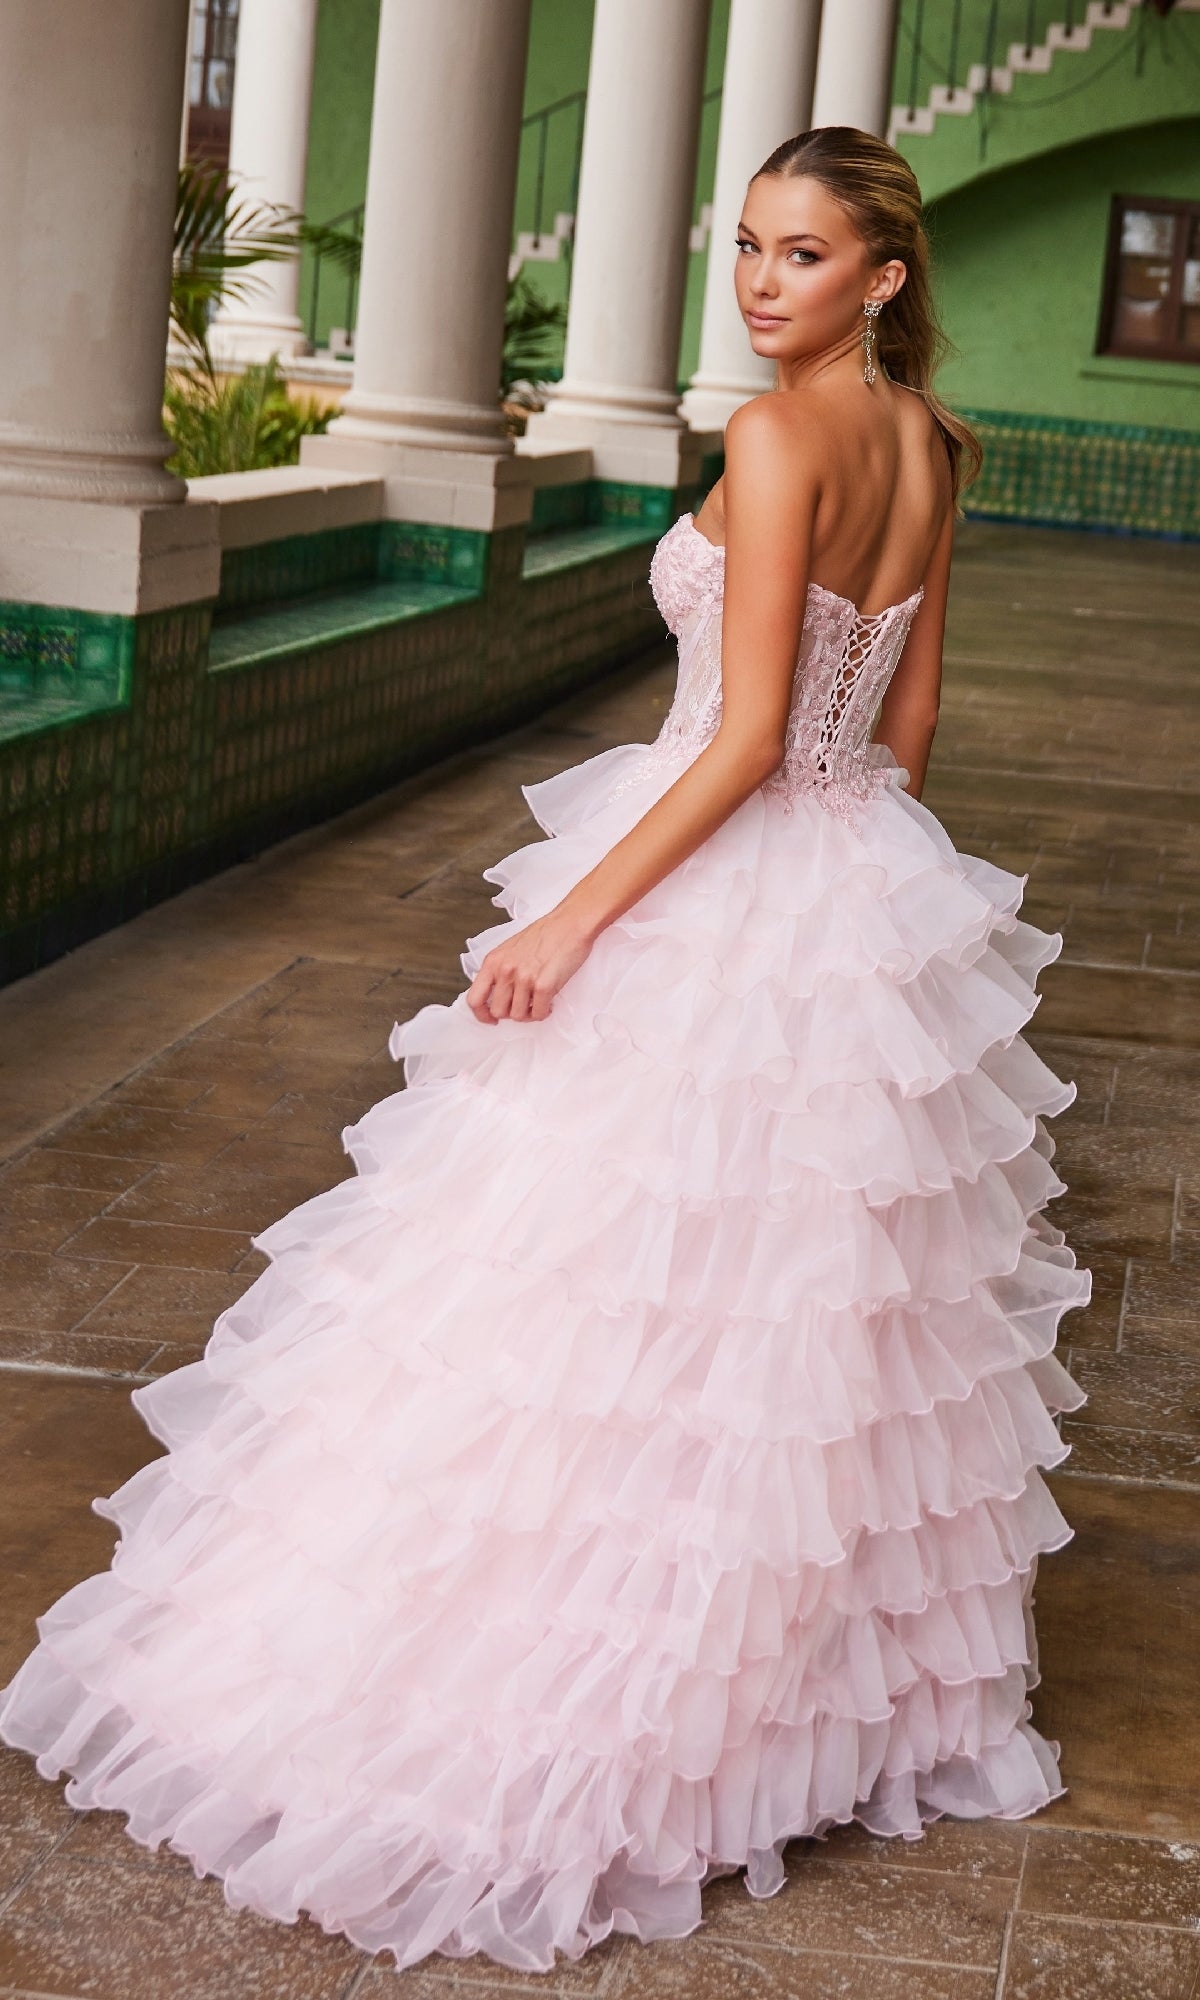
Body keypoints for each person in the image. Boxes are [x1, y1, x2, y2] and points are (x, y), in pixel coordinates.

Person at [0, 127, 1090, 1974]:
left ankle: (561, 1717)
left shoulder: (776, 438)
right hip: (853, 884)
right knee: (799, 1329)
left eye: (805, 254)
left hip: (717, 871)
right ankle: (787, 1716)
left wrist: (577, 918)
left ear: (884, 277)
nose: (761, 283)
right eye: (748, 246)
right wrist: (855, 901)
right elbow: (904, 725)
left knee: (581, 1290)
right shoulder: (934, 447)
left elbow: (744, 734)